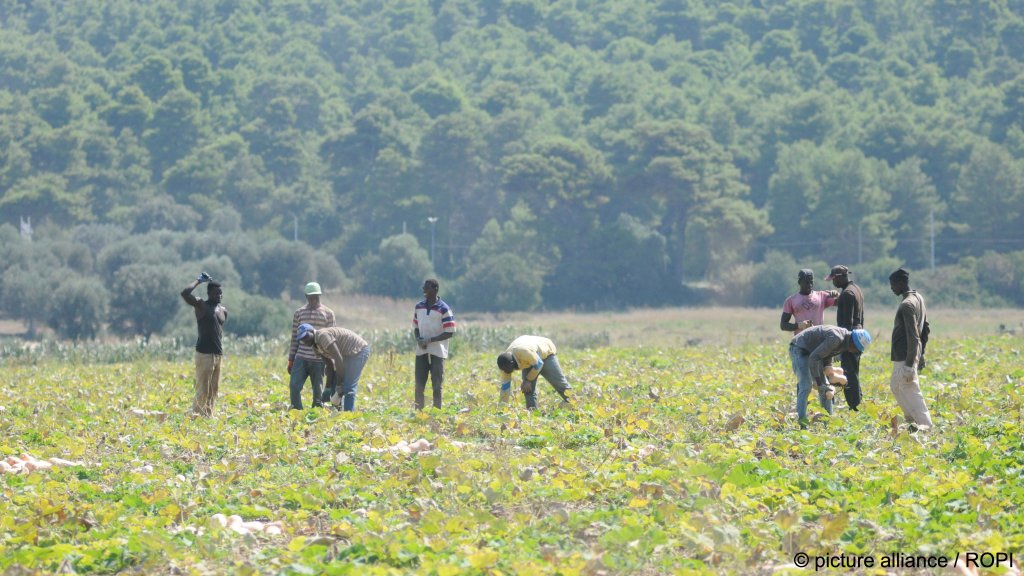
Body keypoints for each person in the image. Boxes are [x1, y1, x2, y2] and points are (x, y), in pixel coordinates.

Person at [789, 325, 872, 429]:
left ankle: (827, 423)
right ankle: (802, 423)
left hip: (813, 353)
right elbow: (814, 358)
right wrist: (819, 382)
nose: (855, 352)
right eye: (856, 349)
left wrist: (828, 371)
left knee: (826, 389)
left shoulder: (843, 340)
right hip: (799, 348)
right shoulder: (836, 338)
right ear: (853, 343)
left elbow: (827, 354)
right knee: (806, 386)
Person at [781, 269, 839, 399]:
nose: (809, 285)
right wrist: (798, 325)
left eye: (811, 282)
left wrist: (837, 294)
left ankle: (828, 405)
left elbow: (839, 303)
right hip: (801, 345)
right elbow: (783, 325)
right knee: (804, 380)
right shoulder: (791, 301)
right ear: (799, 282)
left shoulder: (821, 296)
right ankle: (802, 406)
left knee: (823, 376)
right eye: (806, 282)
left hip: (820, 343)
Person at [888, 268, 933, 431]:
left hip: (905, 355)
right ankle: (911, 420)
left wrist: (909, 364)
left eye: (893, 284)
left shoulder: (907, 305)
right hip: (910, 353)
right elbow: (926, 329)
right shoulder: (918, 298)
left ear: (901, 283)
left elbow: (914, 336)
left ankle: (926, 425)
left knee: (911, 388)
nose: (891, 288)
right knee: (895, 385)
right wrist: (921, 355)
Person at [180, 272, 227, 417]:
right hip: (204, 354)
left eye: (220, 293)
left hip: (217, 354)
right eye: (215, 293)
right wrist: (199, 281)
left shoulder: (223, 311)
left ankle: (208, 415)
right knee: (203, 389)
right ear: (209, 294)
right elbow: (185, 293)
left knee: (214, 389)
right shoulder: (201, 306)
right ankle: (197, 416)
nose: (218, 295)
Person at [296, 323, 371, 412]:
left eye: (306, 336)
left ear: (311, 331)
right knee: (335, 382)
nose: (305, 341)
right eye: (302, 339)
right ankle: (338, 411)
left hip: (359, 350)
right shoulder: (315, 346)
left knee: (348, 386)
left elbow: (338, 359)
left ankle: (349, 414)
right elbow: (330, 366)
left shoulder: (322, 336)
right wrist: (327, 389)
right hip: (347, 354)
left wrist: (340, 384)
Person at [287, 282, 336, 410]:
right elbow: (294, 338)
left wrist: (331, 363)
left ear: (320, 296)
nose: (314, 300)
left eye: (316, 297)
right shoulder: (299, 313)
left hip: (319, 360)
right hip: (301, 357)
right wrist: (291, 359)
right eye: (311, 297)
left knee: (318, 393)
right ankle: (297, 411)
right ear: (306, 297)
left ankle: (316, 415)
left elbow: (332, 340)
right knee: (294, 386)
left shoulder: (328, 314)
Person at [413, 279, 457, 410]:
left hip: (438, 351)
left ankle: (437, 413)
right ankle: (418, 413)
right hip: (421, 351)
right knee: (419, 385)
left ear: (435, 289)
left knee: (437, 386)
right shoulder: (419, 307)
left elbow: (450, 332)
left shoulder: (444, 309)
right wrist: (419, 339)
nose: (424, 291)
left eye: (427, 288)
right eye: (424, 288)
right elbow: (415, 327)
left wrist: (430, 340)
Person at [826, 265, 865, 411]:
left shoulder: (847, 294)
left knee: (848, 373)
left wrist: (840, 347)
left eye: (834, 280)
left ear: (840, 277)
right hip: (858, 338)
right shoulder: (856, 289)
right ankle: (858, 403)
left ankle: (854, 406)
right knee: (854, 372)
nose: (833, 283)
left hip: (849, 340)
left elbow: (846, 325)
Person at [496, 335, 571, 409]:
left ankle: (576, 405)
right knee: (527, 389)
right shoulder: (505, 364)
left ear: (512, 363)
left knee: (560, 385)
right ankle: (532, 413)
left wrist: (528, 380)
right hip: (529, 358)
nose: (506, 372)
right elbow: (505, 388)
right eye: (504, 370)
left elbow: (539, 364)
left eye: (507, 370)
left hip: (544, 353)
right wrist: (502, 408)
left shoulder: (523, 352)